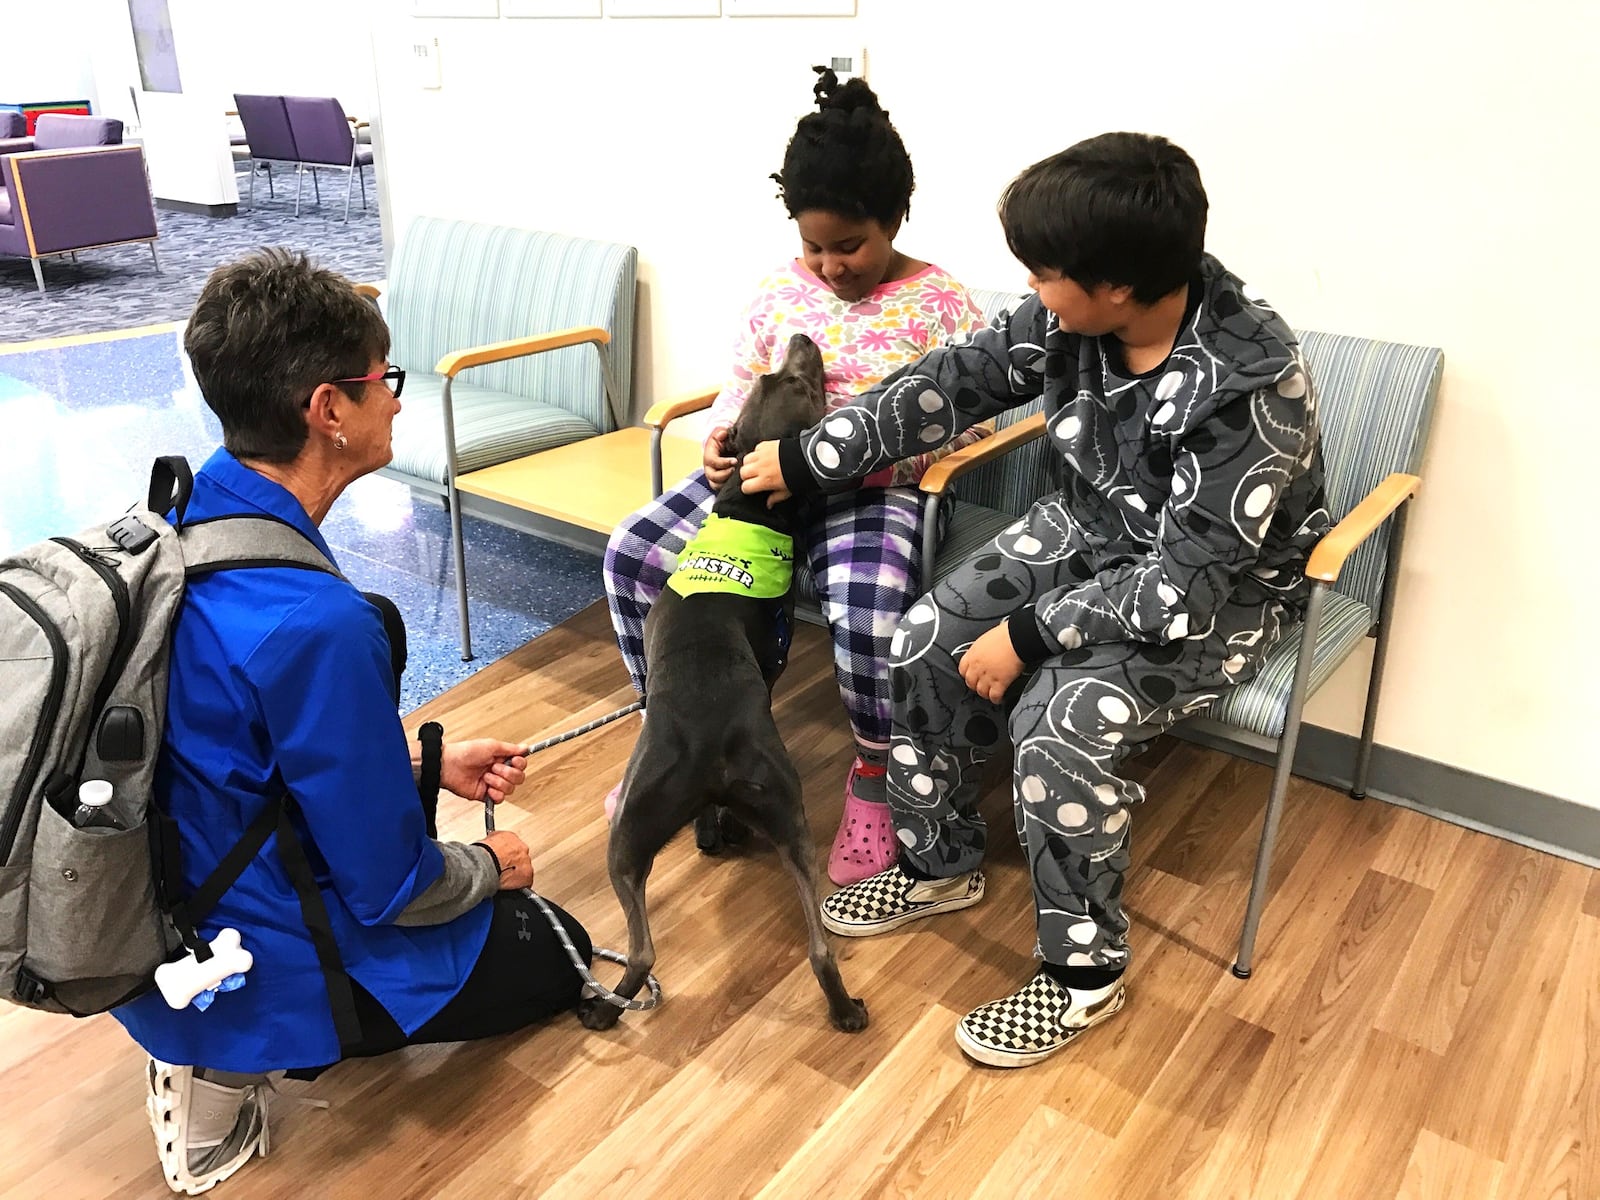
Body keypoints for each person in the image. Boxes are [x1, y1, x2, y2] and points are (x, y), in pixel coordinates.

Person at [740, 133, 1329, 1068]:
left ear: (1117, 289)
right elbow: (949, 382)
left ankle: (1084, 975)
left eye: (1044, 273)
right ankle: (938, 865)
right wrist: (810, 457)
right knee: (923, 636)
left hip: (1218, 596)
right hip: (1094, 528)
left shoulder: (1252, 392)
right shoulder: (1071, 318)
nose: (1032, 289)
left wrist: (1029, 630)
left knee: (1057, 723)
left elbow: (1182, 585)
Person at [113, 250, 594, 1195]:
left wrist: (431, 758)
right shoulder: (312, 624)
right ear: (328, 410)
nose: (398, 403)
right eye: (385, 382)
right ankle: (219, 1071)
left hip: (162, 891)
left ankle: (206, 1034)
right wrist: (488, 867)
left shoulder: (183, 507)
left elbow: (241, 734)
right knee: (557, 947)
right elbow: (393, 890)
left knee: (378, 620)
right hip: (255, 944)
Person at [603, 69, 989, 886]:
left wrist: (865, 458)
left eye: (849, 246)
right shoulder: (781, 288)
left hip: (872, 492)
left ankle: (876, 780)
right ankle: (670, 739)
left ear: (894, 219)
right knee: (634, 553)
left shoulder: (943, 304)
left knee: (866, 606)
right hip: (756, 484)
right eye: (814, 247)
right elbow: (740, 389)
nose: (830, 266)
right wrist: (718, 440)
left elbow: (973, 424)